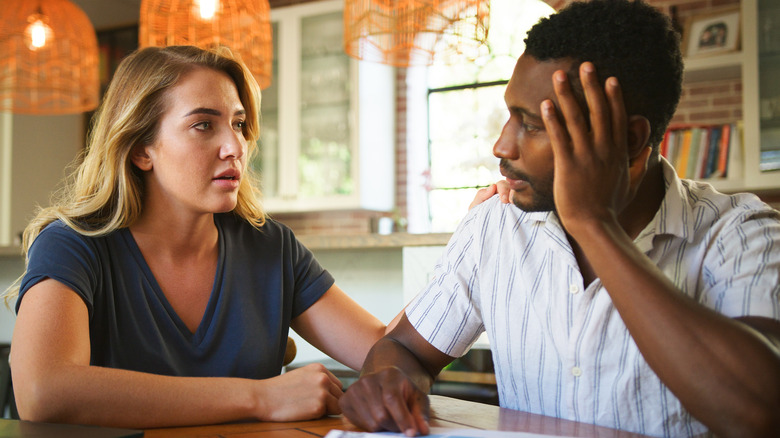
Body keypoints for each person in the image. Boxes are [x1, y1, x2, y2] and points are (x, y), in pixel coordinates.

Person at [339, 1, 780, 437]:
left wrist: (594, 224)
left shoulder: (741, 234)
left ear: (629, 139)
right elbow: (402, 347)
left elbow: (759, 413)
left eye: (532, 125)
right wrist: (387, 381)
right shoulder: (495, 226)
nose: (501, 146)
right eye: (510, 115)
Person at [1, 45, 398, 429]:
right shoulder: (74, 245)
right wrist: (261, 397)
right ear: (142, 149)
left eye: (239, 124)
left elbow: (387, 349)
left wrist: (461, 261)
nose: (235, 147)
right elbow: (43, 391)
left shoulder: (271, 248)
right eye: (203, 125)